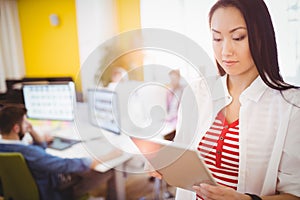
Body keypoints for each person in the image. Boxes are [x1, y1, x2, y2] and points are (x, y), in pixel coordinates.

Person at [152, 0, 300, 199]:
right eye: (217, 38)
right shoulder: (197, 93)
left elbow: (295, 192)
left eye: (238, 37)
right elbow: (181, 153)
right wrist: (163, 163)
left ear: (261, 37)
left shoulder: (291, 106)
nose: (225, 51)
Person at [0, 105, 116, 200]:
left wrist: (31, 130)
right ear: (16, 128)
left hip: (20, 191)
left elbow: (40, 150)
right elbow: (63, 165)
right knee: (106, 171)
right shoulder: (29, 152)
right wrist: (105, 157)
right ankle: (73, 196)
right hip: (48, 191)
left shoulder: (7, 148)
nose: (28, 125)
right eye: (25, 122)